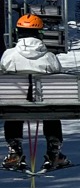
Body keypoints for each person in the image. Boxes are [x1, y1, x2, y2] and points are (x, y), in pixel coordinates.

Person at [1, 14, 70, 171]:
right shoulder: (49, 57)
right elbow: (58, 77)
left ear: (18, 33)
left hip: (15, 104)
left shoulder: (9, 55)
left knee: (12, 103)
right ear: (40, 34)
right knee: (52, 108)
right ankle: (54, 153)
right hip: (45, 105)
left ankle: (15, 152)